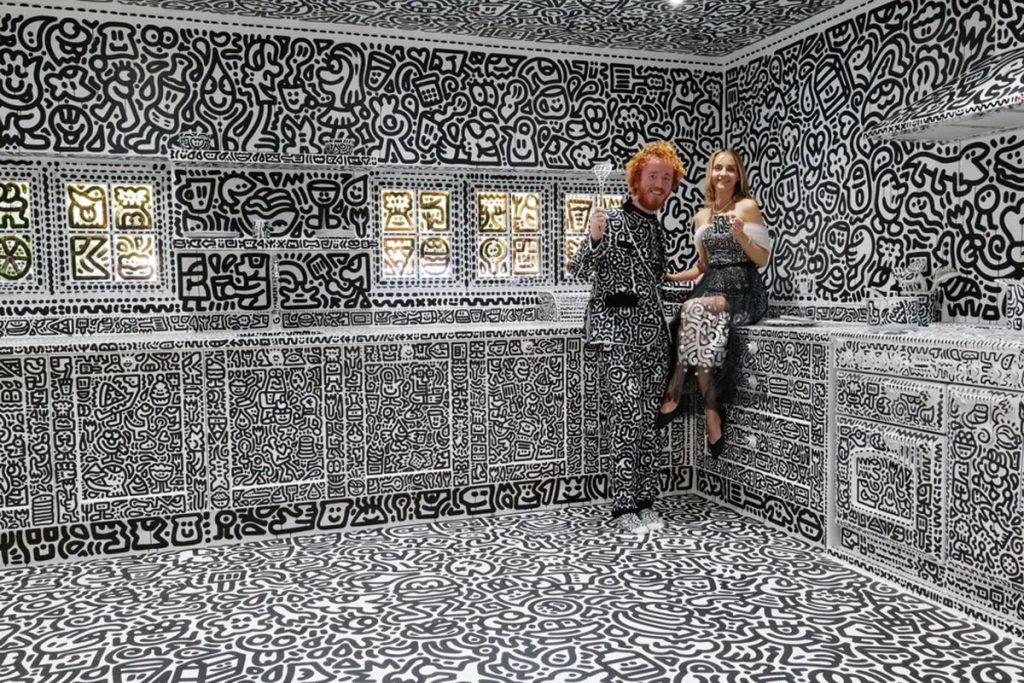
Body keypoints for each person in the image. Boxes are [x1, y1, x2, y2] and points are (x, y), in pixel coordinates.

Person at [568, 140, 685, 536]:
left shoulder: (655, 229)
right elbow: (578, 267)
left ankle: (645, 502)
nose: (659, 184)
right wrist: (594, 237)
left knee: (649, 422)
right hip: (619, 336)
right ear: (635, 179)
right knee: (627, 419)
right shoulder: (611, 219)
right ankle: (622, 508)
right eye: (652, 176)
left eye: (666, 178)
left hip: (653, 337)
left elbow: (656, 281)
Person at [658, 148, 770, 456]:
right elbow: (703, 266)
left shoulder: (747, 207)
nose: (724, 174)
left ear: (738, 175)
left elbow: (762, 258)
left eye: (730, 169)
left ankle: (675, 387)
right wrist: (668, 276)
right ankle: (711, 412)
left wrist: (741, 236)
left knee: (691, 309)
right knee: (700, 332)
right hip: (712, 286)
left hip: (742, 287)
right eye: (718, 168)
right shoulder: (702, 217)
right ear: (711, 173)